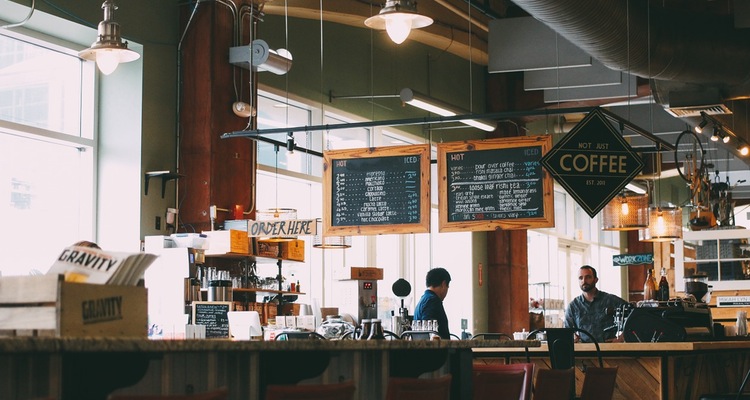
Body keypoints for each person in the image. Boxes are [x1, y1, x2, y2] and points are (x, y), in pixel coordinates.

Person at [564, 265, 628, 343]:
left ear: (596, 280)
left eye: (588, 277)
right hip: (584, 352)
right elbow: (566, 331)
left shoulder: (610, 300)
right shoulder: (573, 306)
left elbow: (635, 317)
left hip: (609, 350)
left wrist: (622, 337)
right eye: (580, 278)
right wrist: (573, 336)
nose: (584, 281)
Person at [413, 267, 451, 339]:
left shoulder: (423, 299)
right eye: (447, 286)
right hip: (436, 349)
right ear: (443, 284)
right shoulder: (432, 301)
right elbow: (430, 330)